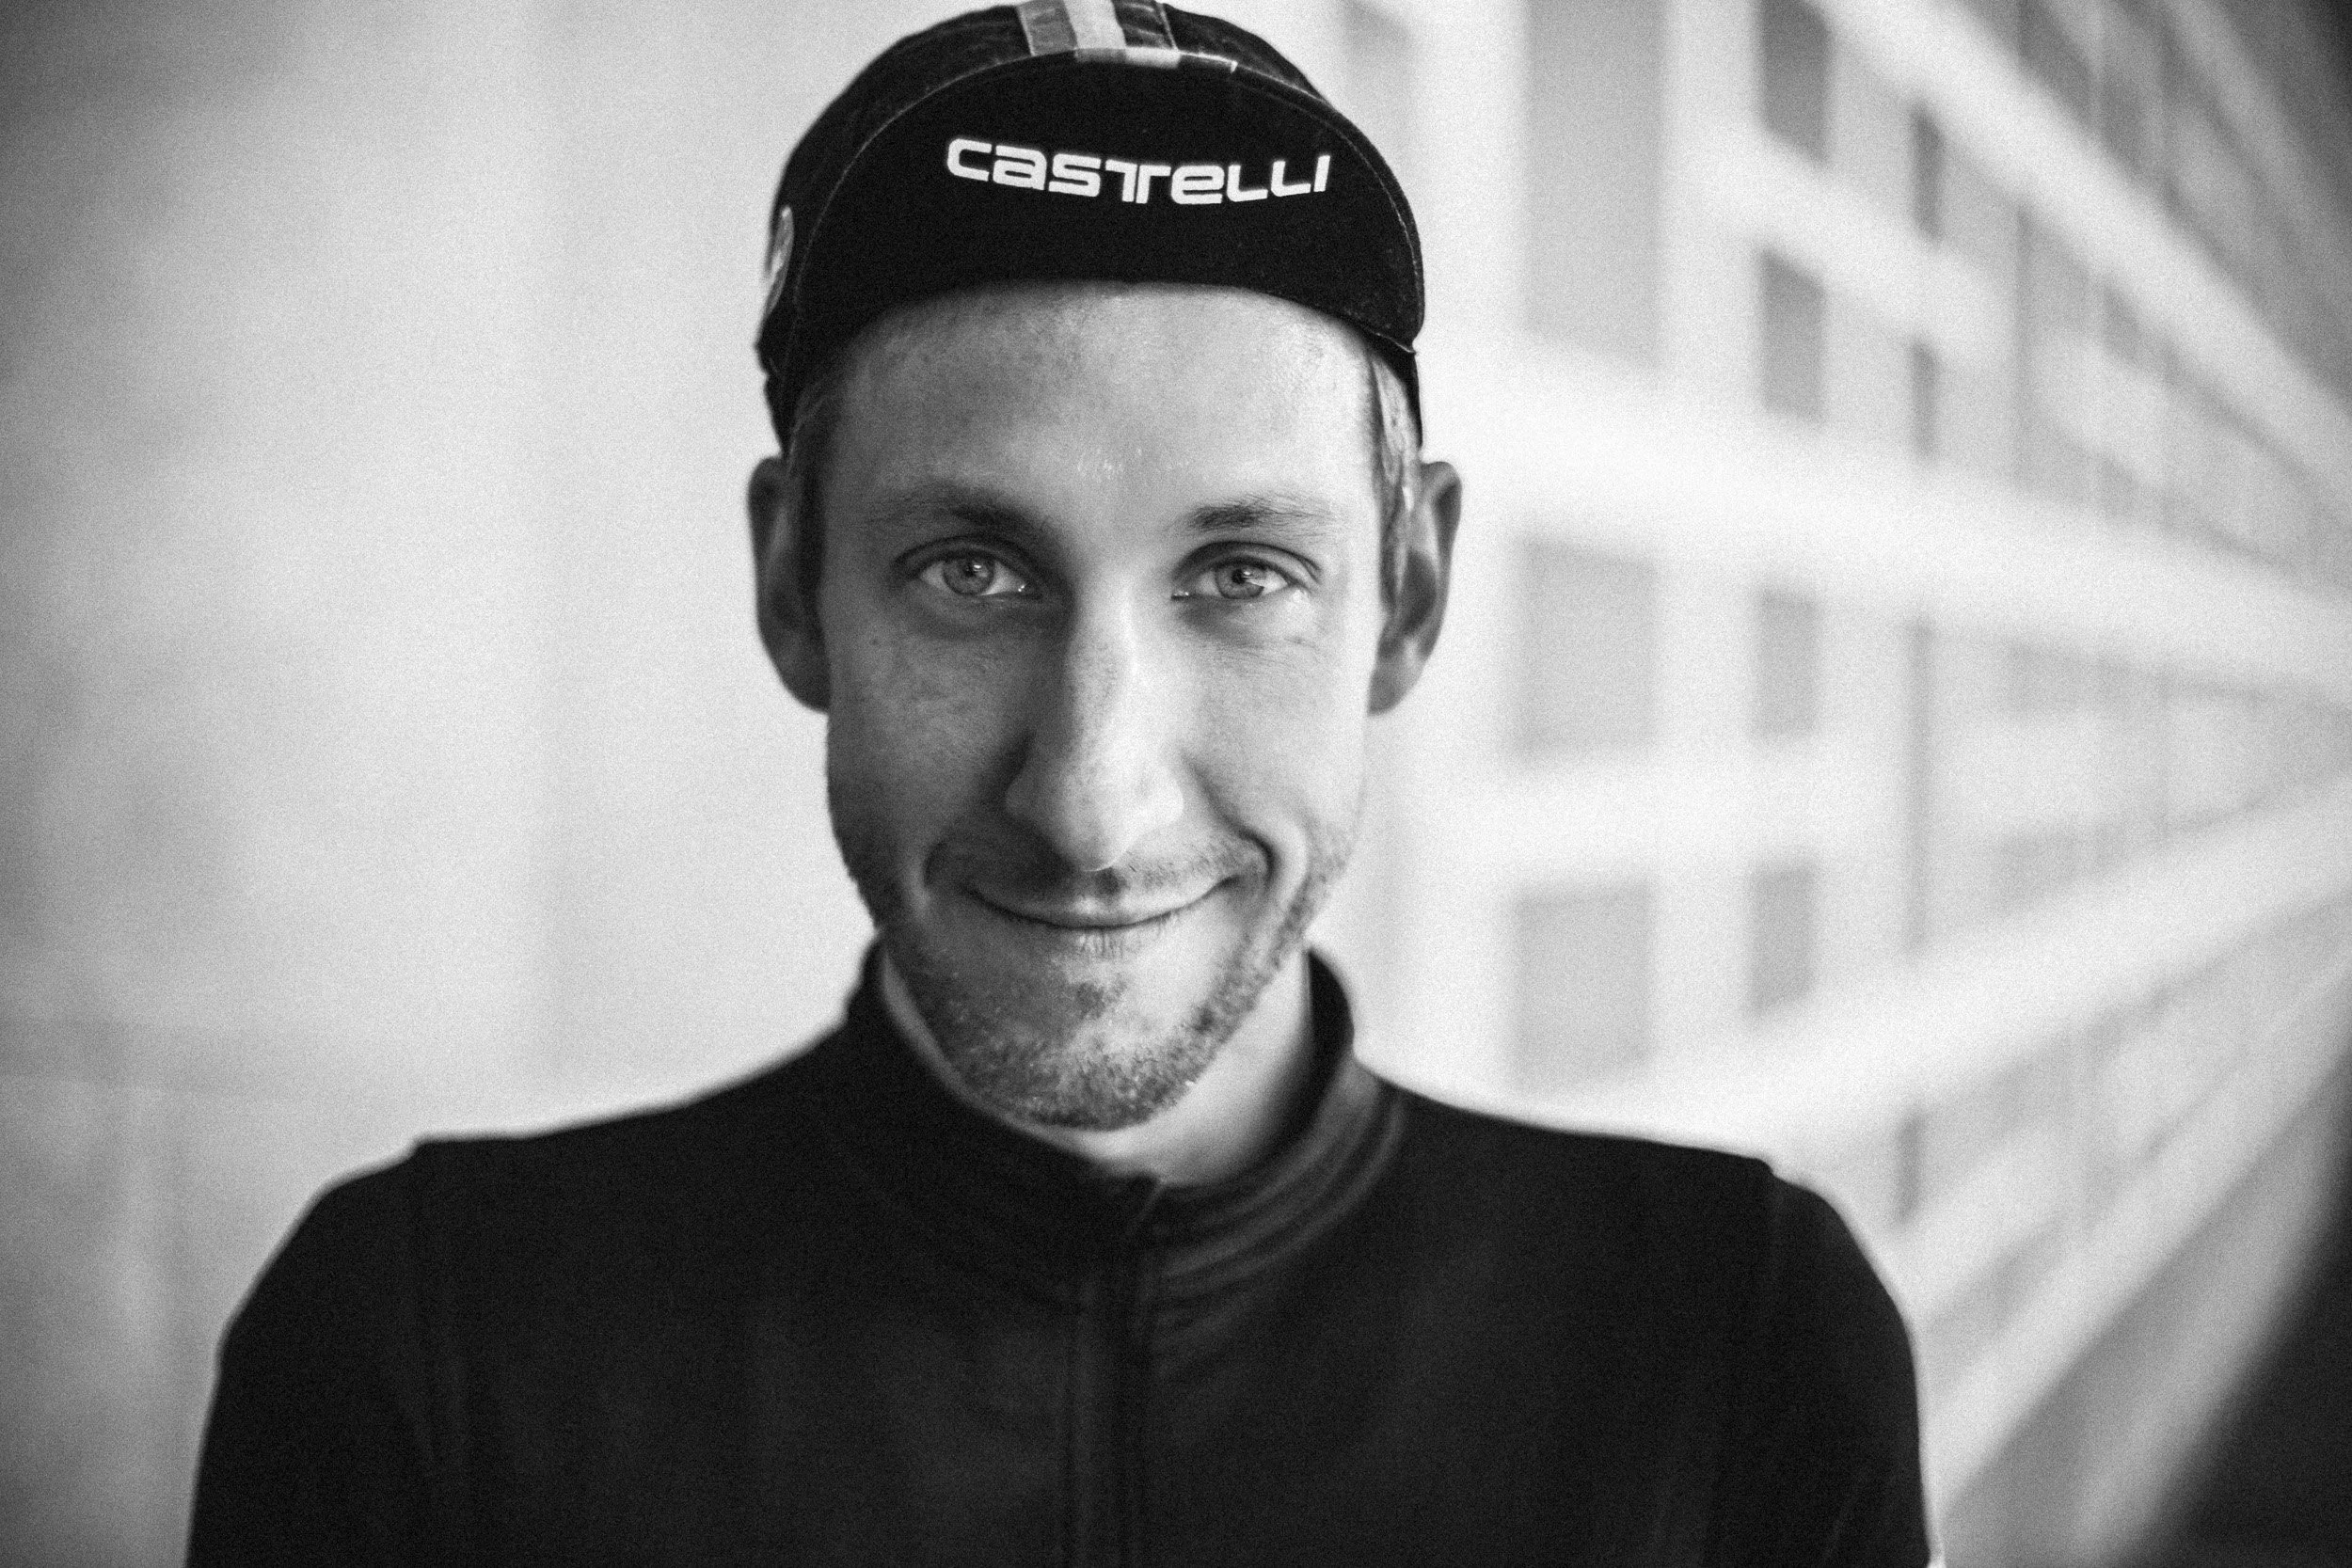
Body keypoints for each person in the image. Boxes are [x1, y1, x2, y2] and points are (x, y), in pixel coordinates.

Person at [188, 3, 1931, 1562]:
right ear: (794, 586)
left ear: (1406, 597)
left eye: (1242, 573)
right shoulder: (420, 1353)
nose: (1095, 808)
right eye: (974, 570)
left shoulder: (1738, 1349)